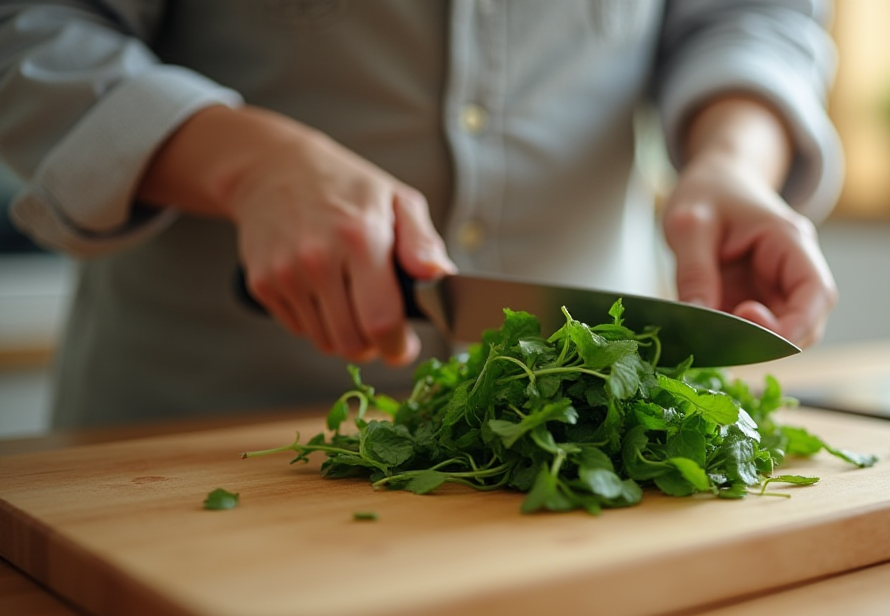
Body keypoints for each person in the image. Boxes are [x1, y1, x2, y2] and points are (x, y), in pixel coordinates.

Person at [0, 0, 842, 429]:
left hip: (586, 430)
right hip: (185, 434)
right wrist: (246, 162)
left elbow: (750, 15)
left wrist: (733, 159)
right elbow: (29, 25)